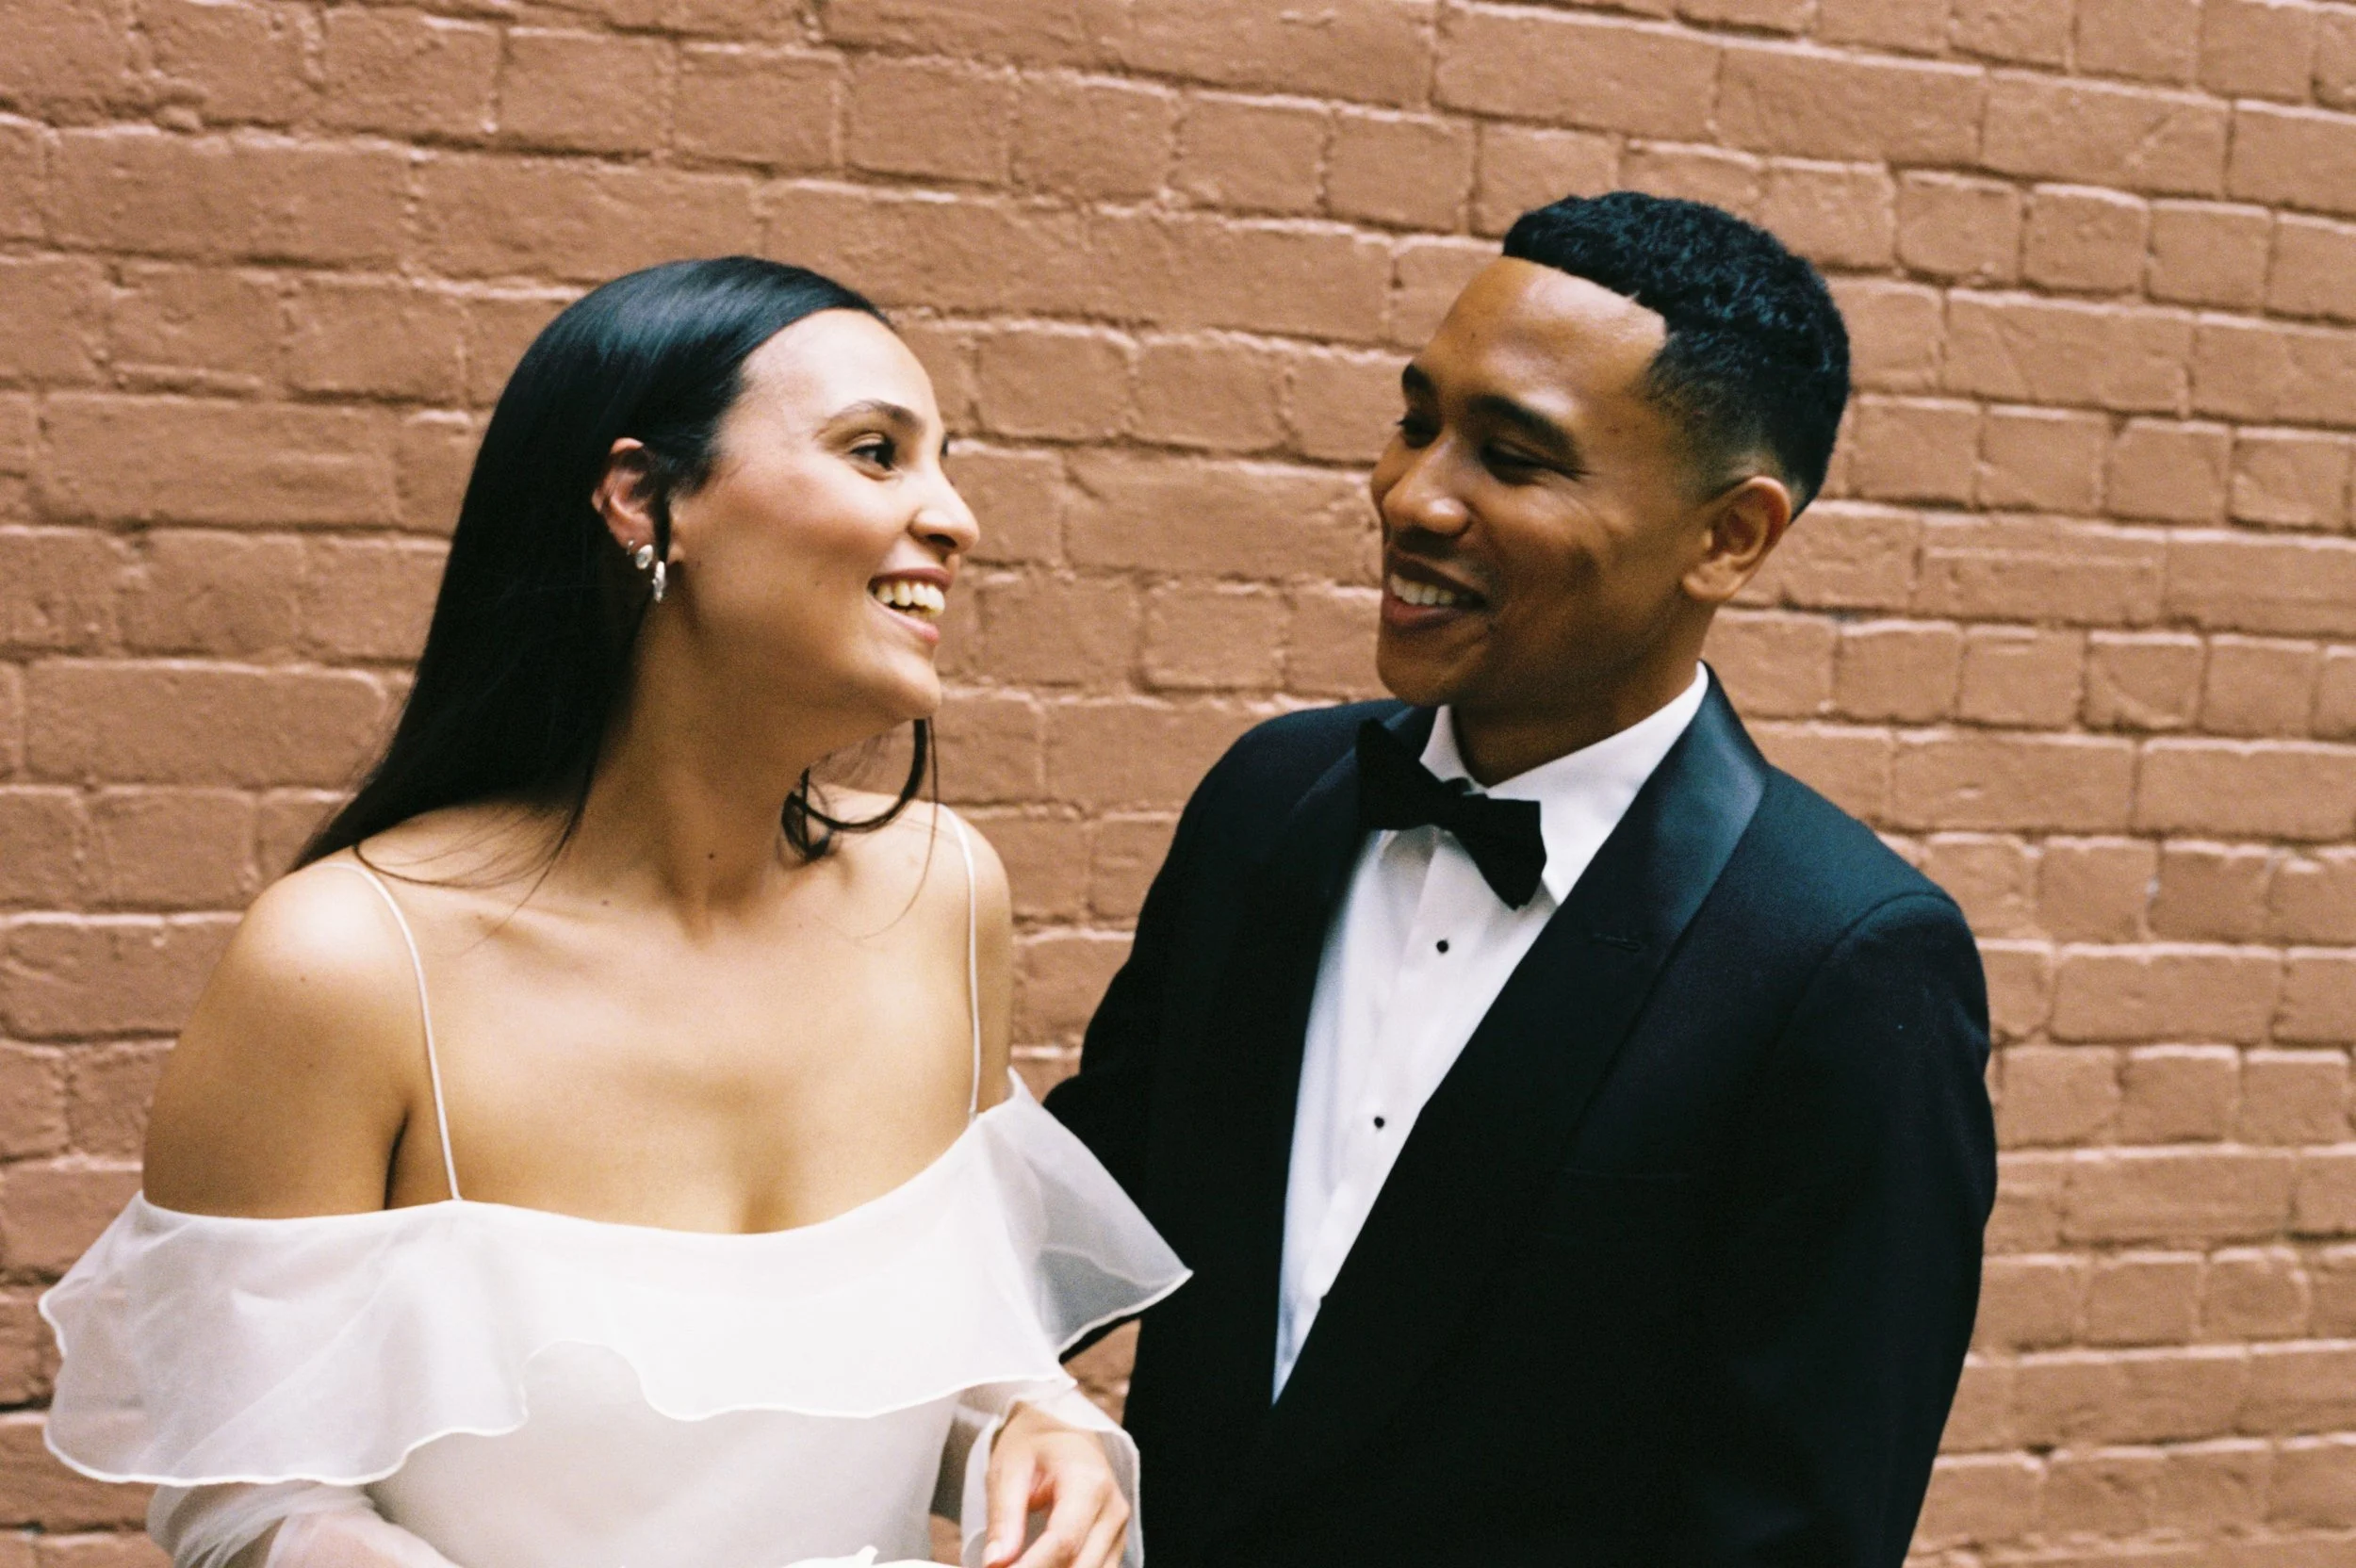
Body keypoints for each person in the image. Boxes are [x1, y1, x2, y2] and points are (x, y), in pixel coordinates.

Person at [41, 257, 1186, 1568]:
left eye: (943, 461)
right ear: (645, 500)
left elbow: (957, 1339)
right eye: (877, 452)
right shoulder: (351, 965)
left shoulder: (944, 900)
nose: (954, 517)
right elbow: (244, 1505)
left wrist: (1025, 1425)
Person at [1046, 191, 1998, 1565]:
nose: (1411, 494)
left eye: (1512, 455)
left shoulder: (1843, 962)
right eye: (1416, 419)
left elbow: (1795, 1532)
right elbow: (1091, 1210)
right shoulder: (1271, 802)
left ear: (1729, 538)